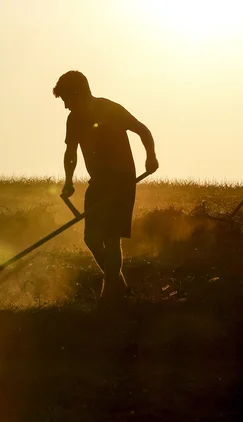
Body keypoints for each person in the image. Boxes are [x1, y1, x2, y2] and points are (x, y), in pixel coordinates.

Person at [53, 70, 159, 302]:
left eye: (67, 99)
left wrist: (151, 157)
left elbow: (142, 130)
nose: (66, 106)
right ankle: (118, 285)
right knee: (91, 238)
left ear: (78, 93)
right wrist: (68, 181)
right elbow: (71, 152)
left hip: (121, 181)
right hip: (99, 182)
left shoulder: (110, 109)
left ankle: (110, 295)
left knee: (111, 238)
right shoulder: (74, 119)